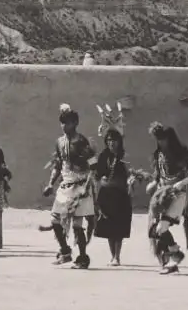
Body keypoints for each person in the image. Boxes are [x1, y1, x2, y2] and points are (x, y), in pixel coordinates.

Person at [43, 104, 97, 268]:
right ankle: (65, 251)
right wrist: (50, 184)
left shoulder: (81, 141)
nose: (64, 126)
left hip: (80, 185)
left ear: (75, 123)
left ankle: (82, 257)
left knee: (77, 224)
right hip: (65, 185)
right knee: (55, 220)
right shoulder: (59, 142)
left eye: (67, 122)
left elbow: (93, 163)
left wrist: (89, 177)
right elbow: (58, 165)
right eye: (62, 123)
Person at [146, 122, 188, 273]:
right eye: (158, 139)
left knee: (161, 228)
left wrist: (181, 183)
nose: (161, 142)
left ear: (170, 139)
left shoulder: (182, 155)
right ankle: (173, 255)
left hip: (178, 195)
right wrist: (153, 183)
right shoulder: (158, 155)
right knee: (156, 229)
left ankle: (174, 254)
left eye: (163, 139)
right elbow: (159, 175)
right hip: (163, 195)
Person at [93, 126, 133, 266]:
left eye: (114, 140)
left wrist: (130, 181)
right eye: (109, 140)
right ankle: (112, 256)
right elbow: (97, 174)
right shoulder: (103, 156)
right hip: (106, 195)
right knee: (109, 228)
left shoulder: (124, 157)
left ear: (119, 141)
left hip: (120, 195)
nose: (111, 143)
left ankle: (117, 256)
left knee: (119, 227)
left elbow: (129, 174)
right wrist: (100, 179)